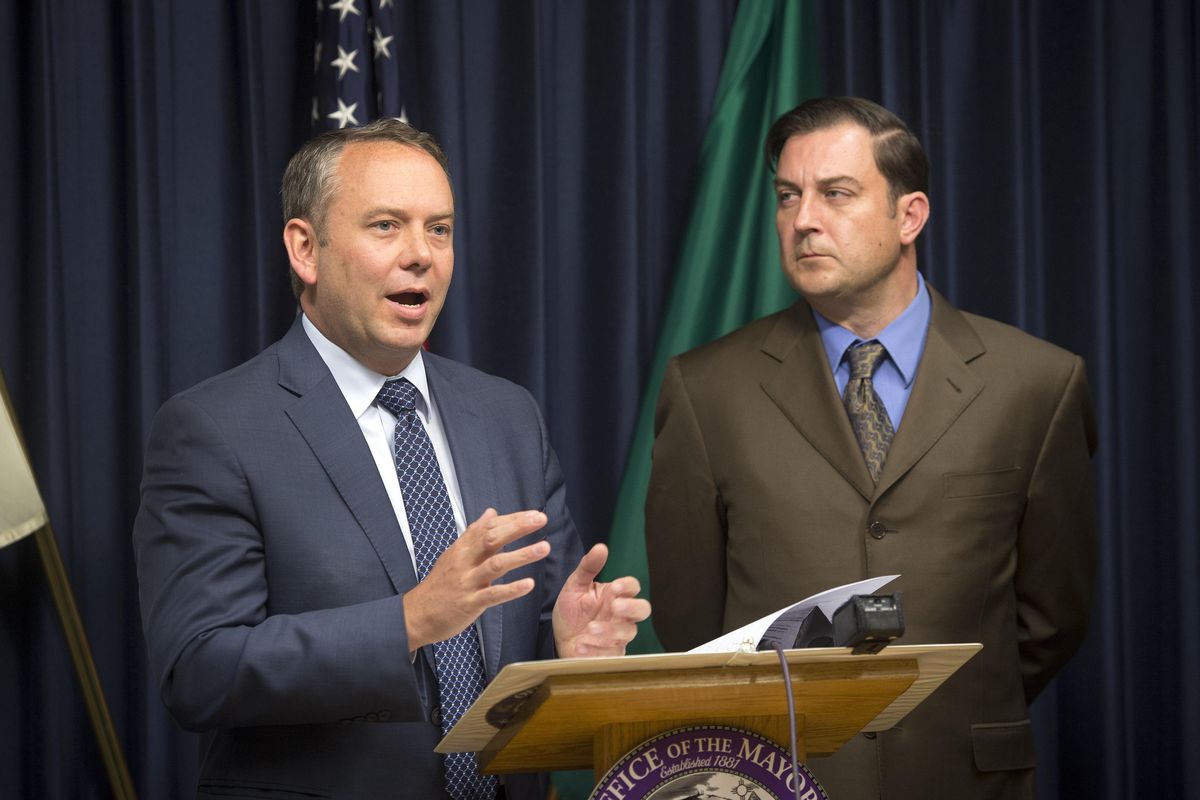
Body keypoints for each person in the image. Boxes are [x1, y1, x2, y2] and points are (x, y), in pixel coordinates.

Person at [133, 118, 650, 800]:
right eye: (386, 226)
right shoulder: (213, 429)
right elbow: (198, 672)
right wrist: (407, 623)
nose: (422, 255)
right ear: (305, 249)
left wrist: (568, 653)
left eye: (439, 229)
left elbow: (531, 627)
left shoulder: (506, 415)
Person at [645, 97, 1096, 799]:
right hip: (776, 777)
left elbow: (1050, 618)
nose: (803, 221)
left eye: (837, 194)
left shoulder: (1036, 383)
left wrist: (940, 702)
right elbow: (691, 622)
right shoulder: (707, 389)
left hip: (963, 777)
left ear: (909, 215)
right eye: (788, 197)